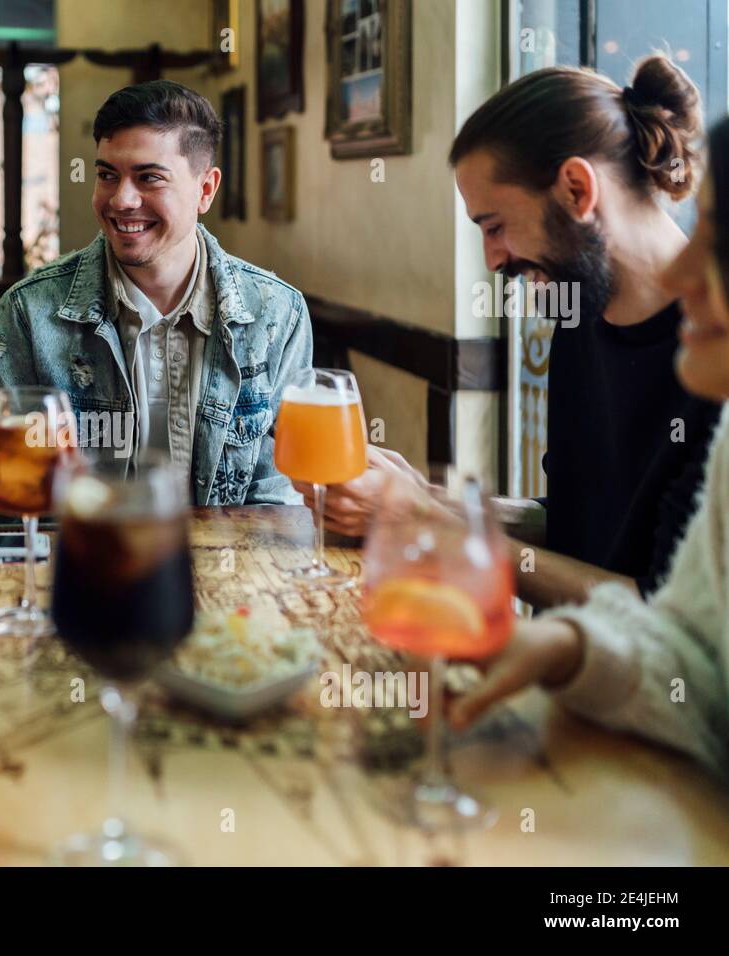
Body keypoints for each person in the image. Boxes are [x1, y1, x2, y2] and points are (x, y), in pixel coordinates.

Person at [300, 56, 720, 609]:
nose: (492, 259)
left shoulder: (715, 355)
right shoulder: (577, 317)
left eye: (494, 226)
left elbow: (662, 614)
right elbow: (573, 524)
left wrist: (421, 518)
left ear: (576, 189)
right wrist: (431, 499)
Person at [448, 115, 729, 776]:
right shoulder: (578, 321)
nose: (685, 268)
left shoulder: (707, 385)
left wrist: (468, 541)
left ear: (578, 189)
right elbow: (692, 655)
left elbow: (652, 599)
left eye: (717, 241)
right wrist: (571, 648)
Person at [0, 80, 312, 505]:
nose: (121, 200)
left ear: (205, 190)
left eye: (149, 178)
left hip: (230, 567)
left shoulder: (277, 315)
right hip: (85, 565)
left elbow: (278, 503)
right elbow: (19, 495)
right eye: (107, 175)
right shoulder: (30, 312)